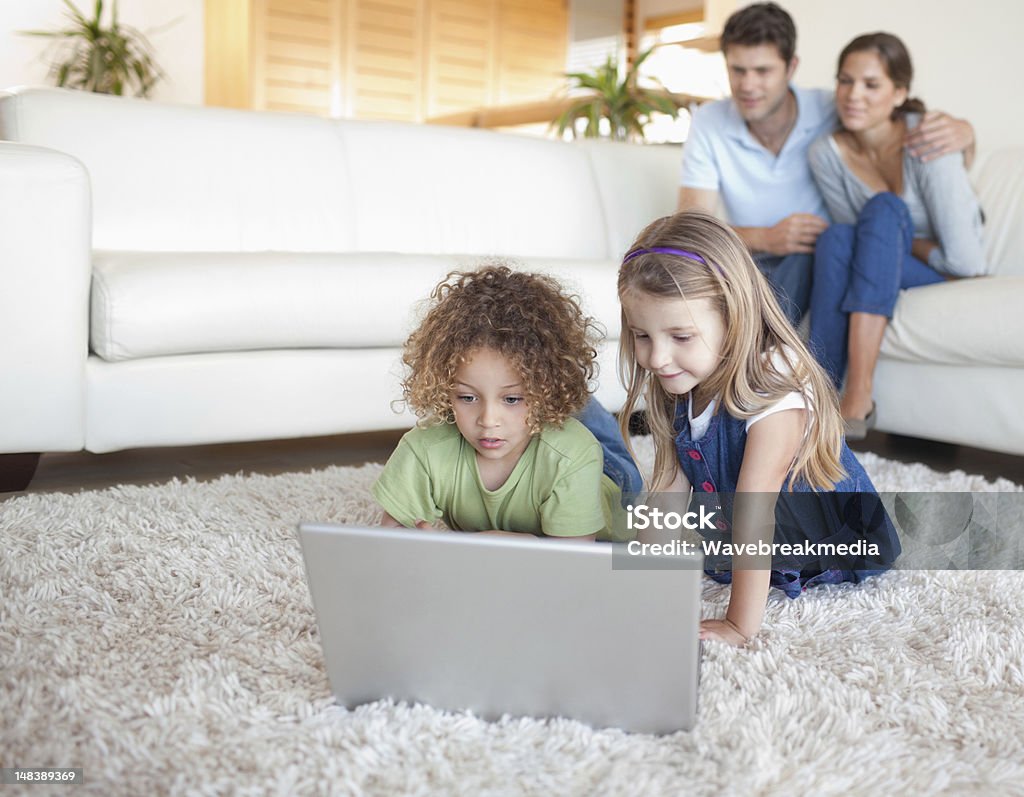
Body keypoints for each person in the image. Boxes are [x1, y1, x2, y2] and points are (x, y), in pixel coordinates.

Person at [616, 210, 900, 646]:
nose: (656, 359)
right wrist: (640, 584)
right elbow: (670, 491)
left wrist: (737, 625)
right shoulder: (681, 379)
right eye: (642, 336)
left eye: (681, 337)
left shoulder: (776, 382)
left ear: (733, 316)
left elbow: (755, 510)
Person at [677, 2, 974, 325]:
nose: (748, 85)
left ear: (791, 67)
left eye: (763, 71)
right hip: (749, 262)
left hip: (820, 258)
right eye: (738, 70)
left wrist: (967, 134)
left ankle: (762, 347)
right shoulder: (709, 122)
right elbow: (692, 226)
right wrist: (766, 237)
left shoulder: (835, 108)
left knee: (821, 247)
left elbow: (895, 122)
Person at [807, 32, 988, 438]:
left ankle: (858, 393)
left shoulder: (930, 138)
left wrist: (900, 241)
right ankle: (816, 395)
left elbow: (968, 263)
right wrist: (887, 242)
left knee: (885, 209)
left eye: (872, 84)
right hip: (878, 262)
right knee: (835, 238)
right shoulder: (826, 153)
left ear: (899, 92)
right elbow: (854, 240)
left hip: (949, 271)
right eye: (845, 80)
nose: (854, 95)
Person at [373, 264, 633, 541]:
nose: (488, 420)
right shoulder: (424, 449)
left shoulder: (574, 453)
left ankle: (569, 399)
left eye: (511, 399)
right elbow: (391, 540)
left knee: (583, 422)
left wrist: (484, 542)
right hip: (538, 428)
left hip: (609, 473)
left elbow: (570, 559)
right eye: (467, 397)